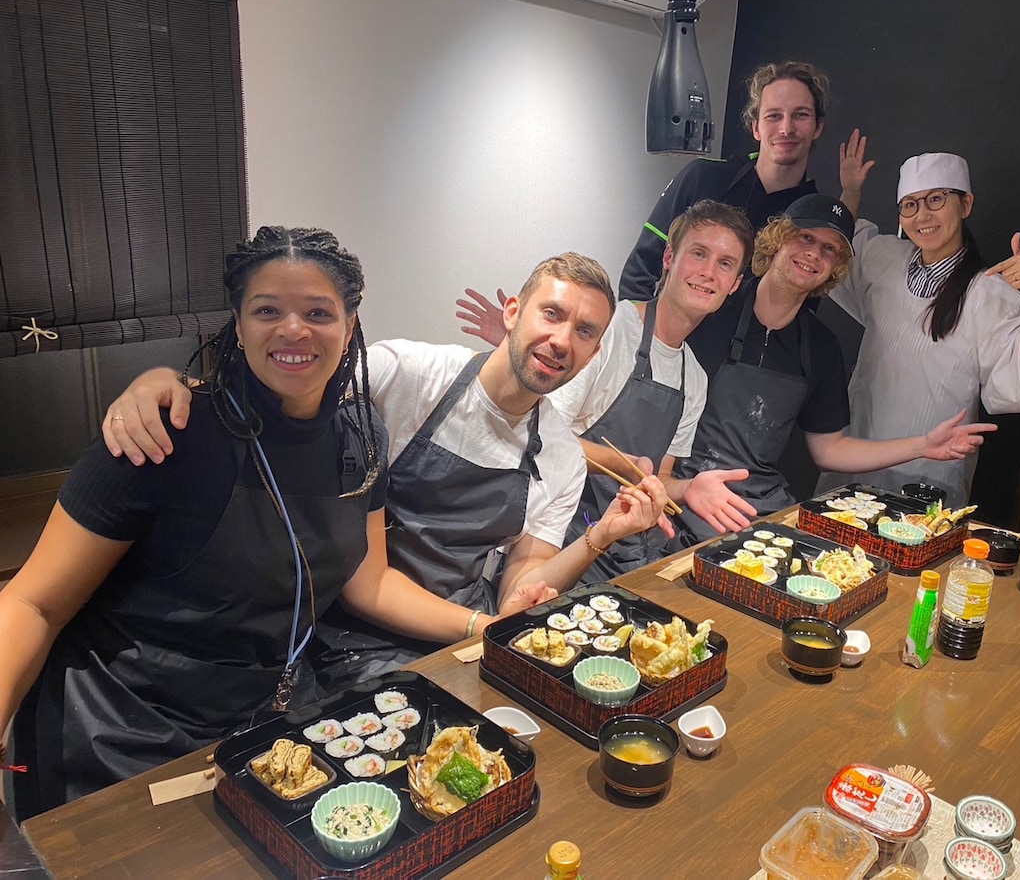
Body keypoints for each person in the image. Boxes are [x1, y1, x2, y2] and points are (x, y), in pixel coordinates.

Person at [0, 227, 553, 820]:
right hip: (123, 733)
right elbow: (33, 603)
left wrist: (485, 627)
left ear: (349, 325)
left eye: (318, 312)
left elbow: (369, 583)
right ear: (238, 325)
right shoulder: (164, 435)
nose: (294, 329)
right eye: (268, 311)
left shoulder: (361, 438)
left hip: (267, 725)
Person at [99, 253, 669, 682]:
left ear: (595, 353)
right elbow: (286, 384)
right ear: (514, 313)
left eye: (584, 331)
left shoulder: (562, 455)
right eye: (552, 314)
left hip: (465, 631)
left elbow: (522, 582)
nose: (561, 340)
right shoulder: (409, 375)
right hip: (357, 630)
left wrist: (600, 536)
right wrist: (172, 382)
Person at [668, 194, 998, 544]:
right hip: (685, 493)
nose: (815, 253)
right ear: (777, 240)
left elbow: (830, 450)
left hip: (758, 508)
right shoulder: (712, 307)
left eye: (830, 249)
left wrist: (923, 445)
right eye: (806, 237)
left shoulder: (820, 347)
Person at [455, 60, 833, 338]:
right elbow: (642, 268)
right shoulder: (704, 177)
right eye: (774, 116)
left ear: (817, 126)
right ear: (756, 127)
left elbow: (802, 309)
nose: (786, 128)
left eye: (800, 115)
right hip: (662, 345)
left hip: (741, 377)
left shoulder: (815, 221)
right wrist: (639, 344)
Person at [820, 141, 1020, 506]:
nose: (923, 215)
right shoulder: (884, 259)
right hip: (857, 450)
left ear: (966, 204)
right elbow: (837, 245)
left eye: (936, 199)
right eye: (910, 205)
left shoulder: (988, 294)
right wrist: (851, 191)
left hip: (930, 469)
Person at [546, 200, 756, 582]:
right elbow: (543, 436)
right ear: (669, 257)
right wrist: (625, 464)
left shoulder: (694, 378)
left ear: (734, 285)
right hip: (560, 537)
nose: (708, 272)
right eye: (699, 253)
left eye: (725, 264)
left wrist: (688, 488)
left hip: (626, 548)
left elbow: (659, 479)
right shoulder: (613, 329)